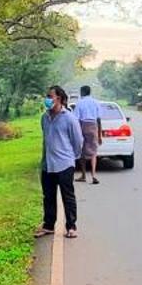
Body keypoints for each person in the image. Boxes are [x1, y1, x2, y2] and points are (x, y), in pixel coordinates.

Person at [37, 85, 81, 238]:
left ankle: (71, 226)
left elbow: (77, 141)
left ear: (59, 99)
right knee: (48, 196)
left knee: (67, 196)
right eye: (47, 96)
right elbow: (45, 141)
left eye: (50, 96)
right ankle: (49, 225)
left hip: (64, 164)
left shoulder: (69, 118)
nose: (48, 99)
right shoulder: (44, 118)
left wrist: (71, 159)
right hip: (47, 164)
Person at [73, 83, 104, 183]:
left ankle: (83, 175)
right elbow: (99, 119)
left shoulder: (80, 103)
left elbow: (76, 119)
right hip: (93, 126)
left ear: (82, 92)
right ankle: (94, 175)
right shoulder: (96, 102)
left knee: (83, 151)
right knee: (93, 152)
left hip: (82, 126)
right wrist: (99, 135)